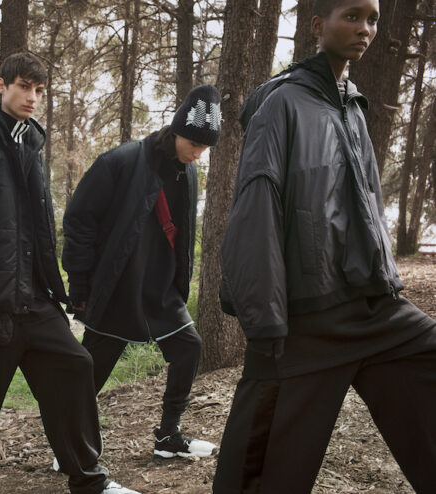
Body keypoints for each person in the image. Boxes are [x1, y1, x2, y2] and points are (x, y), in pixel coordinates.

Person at [213, 0, 436, 492]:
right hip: (307, 317)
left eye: (372, 19)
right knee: (264, 466)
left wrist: (387, 279)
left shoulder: (353, 107)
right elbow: (255, 210)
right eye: (351, 16)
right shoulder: (281, 105)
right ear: (318, 25)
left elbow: (369, 205)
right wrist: (265, 321)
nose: (365, 29)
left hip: (374, 309)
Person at [0, 52, 139, 494]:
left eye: (39, 90)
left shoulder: (31, 148)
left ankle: (90, 481)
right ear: (0, 85)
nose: (32, 97)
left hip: (34, 302)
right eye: (24, 86)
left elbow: (38, 233)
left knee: (75, 367)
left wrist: (63, 290)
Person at [62, 85, 221, 460]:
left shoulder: (188, 171)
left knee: (189, 349)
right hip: (118, 286)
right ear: (176, 130)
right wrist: (80, 284)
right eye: (194, 143)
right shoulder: (121, 161)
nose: (198, 153)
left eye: (205, 147)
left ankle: (168, 437)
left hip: (161, 290)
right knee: (92, 371)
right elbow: (79, 220)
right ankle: (69, 442)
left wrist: (179, 283)